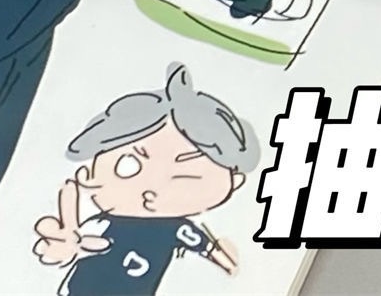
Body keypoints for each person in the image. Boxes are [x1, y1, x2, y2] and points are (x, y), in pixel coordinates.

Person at [34, 65, 257, 295]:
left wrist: (228, 263)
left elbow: (203, 245)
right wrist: (68, 244)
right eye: (129, 166)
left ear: (233, 183)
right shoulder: (105, 223)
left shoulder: (174, 227)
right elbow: (78, 241)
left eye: (185, 179)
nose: (153, 190)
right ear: (88, 174)